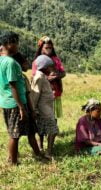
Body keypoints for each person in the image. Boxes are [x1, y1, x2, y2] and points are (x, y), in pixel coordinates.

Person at [0, 31, 33, 165]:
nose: (18, 45)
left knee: (14, 131)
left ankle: (12, 158)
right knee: (15, 135)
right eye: (15, 42)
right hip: (15, 103)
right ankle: (13, 162)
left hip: (6, 101)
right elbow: (13, 85)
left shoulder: (2, 60)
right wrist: (21, 107)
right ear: (8, 44)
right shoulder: (11, 63)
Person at [12, 52, 43, 159]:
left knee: (17, 134)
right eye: (25, 62)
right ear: (19, 64)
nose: (27, 65)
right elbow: (27, 95)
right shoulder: (22, 78)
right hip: (24, 106)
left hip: (21, 106)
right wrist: (32, 110)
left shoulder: (19, 77)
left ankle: (13, 156)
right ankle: (37, 154)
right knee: (26, 133)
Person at [31, 55, 59, 158]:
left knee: (42, 129)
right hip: (44, 109)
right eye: (50, 67)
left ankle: (42, 149)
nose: (52, 69)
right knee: (53, 129)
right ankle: (49, 152)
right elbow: (35, 94)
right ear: (45, 67)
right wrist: (33, 109)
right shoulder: (39, 77)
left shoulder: (42, 76)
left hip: (46, 107)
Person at [32, 36, 66, 119]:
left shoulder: (56, 60)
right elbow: (35, 76)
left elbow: (63, 73)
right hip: (43, 90)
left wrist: (57, 76)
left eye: (50, 48)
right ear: (41, 48)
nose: (49, 49)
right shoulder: (37, 61)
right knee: (43, 111)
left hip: (55, 90)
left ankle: (53, 128)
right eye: (46, 47)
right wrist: (47, 78)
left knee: (53, 112)